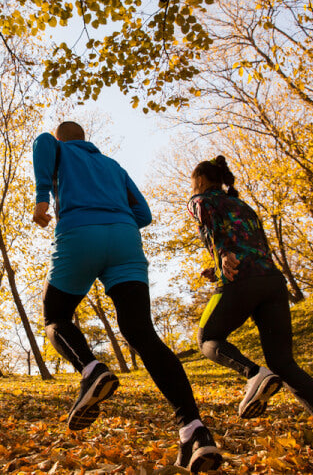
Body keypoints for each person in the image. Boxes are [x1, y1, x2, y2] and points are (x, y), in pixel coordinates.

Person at [32, 121, 222, 473]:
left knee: (55, 316)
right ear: (86, 140)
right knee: (141, 333)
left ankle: (92, 370)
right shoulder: (114, 166)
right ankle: (194, 430)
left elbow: (42, 141)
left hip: (79, 234)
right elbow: (144, 215)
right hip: (125, 240)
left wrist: (43, 198)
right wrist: (117, 219)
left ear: (62, 140)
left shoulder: (55, 148)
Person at [187, 155, 313, 466]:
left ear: (201, 180)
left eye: (192, 183)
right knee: (285, 363)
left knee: (207, 338)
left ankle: (254, 375)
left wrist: (224, 255)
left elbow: (215, 228)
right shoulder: (243, 206)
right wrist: (217, 265)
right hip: (271, 281)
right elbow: (252, 244)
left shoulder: (200, 199)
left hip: (240, 278)